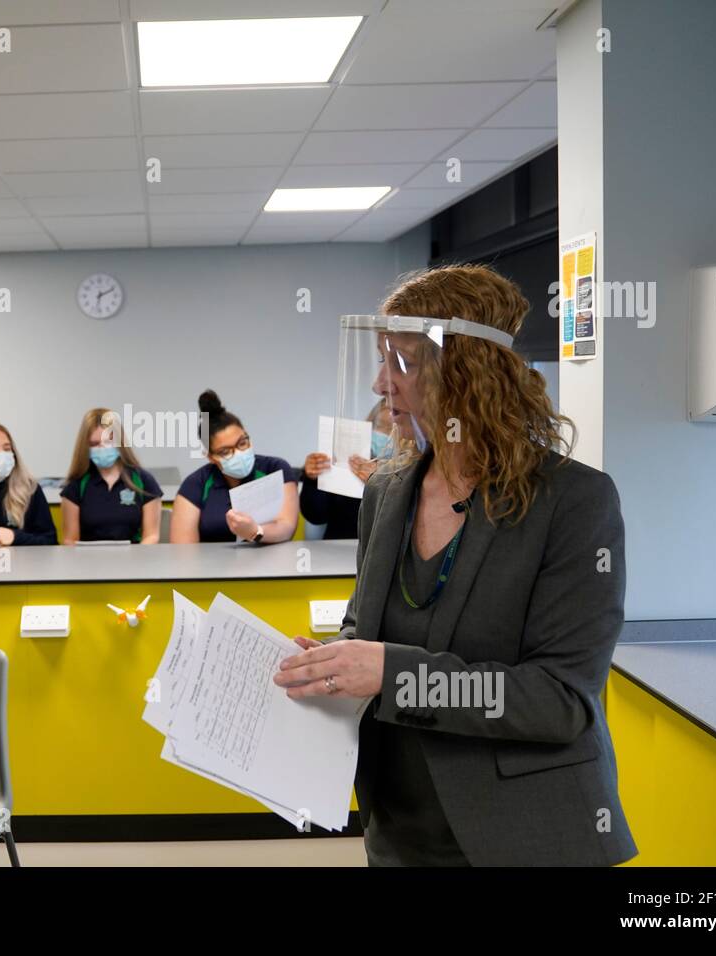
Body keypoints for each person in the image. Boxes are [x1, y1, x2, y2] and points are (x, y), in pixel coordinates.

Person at [273, 264, 636, 866]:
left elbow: (560, 699)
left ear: (467, 373)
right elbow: (367, 631)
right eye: (381, 359)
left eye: (403, 363)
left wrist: (392, 674)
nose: (379, 384)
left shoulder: (574, 501)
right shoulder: (387, 490)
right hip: (400, 832)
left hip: (527, 836)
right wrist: (333, 663)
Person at [170, 390, 298, 544]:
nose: (238, 453)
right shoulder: (196, 484)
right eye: (225, 451)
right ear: (211, 457)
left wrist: (255, 531)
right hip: (212, 566)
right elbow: (183, 550)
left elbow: (286, 527)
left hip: (269, 565)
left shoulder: (275, 469)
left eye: (242, 443)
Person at [60, 408, 163, 544]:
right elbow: (70, 540)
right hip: (88, 562)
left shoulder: (143, 480)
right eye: (95, 444)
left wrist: (138, 562)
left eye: (108, 442)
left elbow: (151, 536)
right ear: (85, 446)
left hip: (135, 561)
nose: (102, 448)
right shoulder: (75, 486)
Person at [299, 400, 395, 540]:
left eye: (392, 429)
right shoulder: (346, 461)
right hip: (336, 549)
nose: (385, 434)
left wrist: (380, 482)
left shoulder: (411, 475)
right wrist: (313, 478)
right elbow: (316, 516)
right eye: (380, 426)